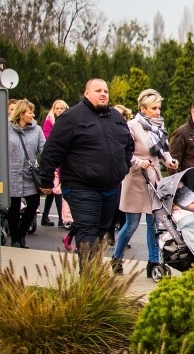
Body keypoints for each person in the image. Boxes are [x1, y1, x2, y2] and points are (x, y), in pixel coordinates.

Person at [40, 79, 134, 260]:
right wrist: (45, 180)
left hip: (110, 187)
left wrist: (124, 167)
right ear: (86, 93)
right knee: (87, 233)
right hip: (81, 187)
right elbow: (52, 150)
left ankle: (93, 275)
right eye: (98, 90)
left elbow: (128, 144)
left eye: (106, 91)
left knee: (100, 233)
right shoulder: (71, 117)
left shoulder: (115, 116)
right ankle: (88, 281)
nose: (103, 94)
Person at [113, 89, 179, 278]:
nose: (158, 112)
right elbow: (125, 151)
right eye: (154, 108)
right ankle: (117, 257)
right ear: (143, 108)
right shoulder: (131, 126)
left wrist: (170, 161)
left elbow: (163, 151)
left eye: (159, 108)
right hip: (135, 177)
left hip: (153, 178)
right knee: (131, 224)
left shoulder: (158, 126)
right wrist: (137, 161)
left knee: (153, 225)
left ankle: (153, 263)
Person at [7, 99, 46, 248]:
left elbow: (44, 149)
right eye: (30, 112)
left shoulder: (37, 130)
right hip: (11, 174)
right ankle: (15, 239)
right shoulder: (7, 129)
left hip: (30, 174)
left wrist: (48, 164)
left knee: (34, 204)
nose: (33, 115)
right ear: (21, 114)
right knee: (13, 207)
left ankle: (22, 233)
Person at [40, 99, 69, 227]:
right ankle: (61, 219)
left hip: (64, 157)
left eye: (61, 108)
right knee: (57, 189)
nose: (59, 110)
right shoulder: (49, 122)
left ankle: (45, 217)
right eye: (57, 108)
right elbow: (47, 140)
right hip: (54, 157)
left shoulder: (69, 121)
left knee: (53, 189)